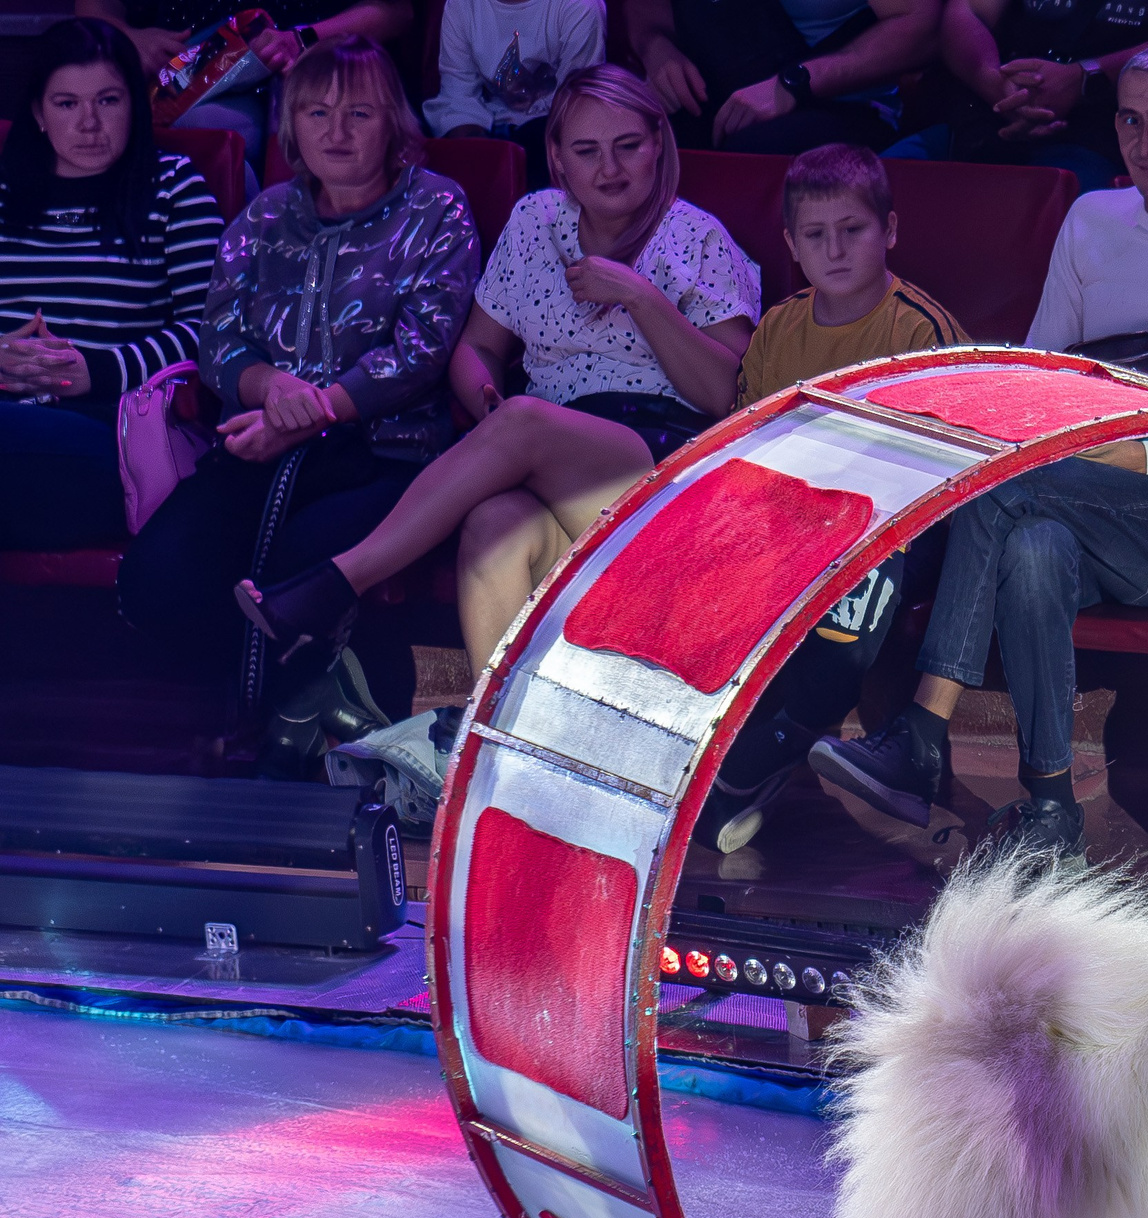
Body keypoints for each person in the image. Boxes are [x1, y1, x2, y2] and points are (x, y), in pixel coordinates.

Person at [815, 41, 1148, 861]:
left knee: (1007, 492)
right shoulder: (1092, 217)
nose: (1146, 141)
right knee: (1032, 542)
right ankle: (1052, 804)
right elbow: (1038, 379)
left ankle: (921, 734)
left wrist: (1145, 460)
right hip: (1070, 493)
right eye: (1130, 119)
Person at [238, 63, 760, 685]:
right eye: (586, 151)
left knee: (525, 419)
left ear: (658, 145)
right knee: (492, 531)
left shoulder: (697, 237)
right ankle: (507, 746)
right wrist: (484, 399)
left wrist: (640, 296)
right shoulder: (537, 219)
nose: (609, 170)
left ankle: (335, 584)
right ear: (558, 158)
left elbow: (725, 394)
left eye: (628, 147)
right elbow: (476, 348)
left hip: (658, 460)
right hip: (541, 452)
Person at [115, 36, 478, 776]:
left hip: (386, 452)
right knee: (157, 578)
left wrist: (314, 409)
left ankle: (282, 726)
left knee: (289, 577)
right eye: (316, 112)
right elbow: (217, 336)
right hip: (257, 441)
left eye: (359, 113)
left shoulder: (436, 206)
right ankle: (280, 701)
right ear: (292, 127)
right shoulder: (265, 214)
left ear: (393, 124)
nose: (336, 132)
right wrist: (267, 389)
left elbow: (422, 350)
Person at [702, 142, 971, 853]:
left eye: (852, 230)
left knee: (859, 582)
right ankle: (724, 751)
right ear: (791, 245)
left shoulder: (919, 329)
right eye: (815, 236)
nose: (836, 249)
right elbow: (749, 446)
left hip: (899, 528)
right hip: (795, 519)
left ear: (888, 230)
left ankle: (766, 754)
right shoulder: (779, 327)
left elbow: (944, 472)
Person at [0, 19, 224, 550]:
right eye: (65, 104)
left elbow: (213, 328)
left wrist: (94, 372)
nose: (89, 124)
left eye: (107, 100)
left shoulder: (174, 186)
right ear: (37, 112)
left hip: (117, 432)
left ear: (134, 104)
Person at [895, 0, 1148, 193]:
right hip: (987, 114)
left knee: (1078, 223)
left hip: (1112, 132)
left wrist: (1083, 78)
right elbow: (966, 11)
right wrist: (995, 85)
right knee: (876, 190)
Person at [75, 0, 414, 164]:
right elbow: (95, 11)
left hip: (317, 61)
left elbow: (392, 11)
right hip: (192, 77)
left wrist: (302, 40)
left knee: (322, 127)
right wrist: (129, 37)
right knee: (208, 134)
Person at [627, 0, 938, 152]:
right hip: (709, 93)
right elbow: (646, 10)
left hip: (841, 105)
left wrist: (795, 83)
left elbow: (923, 27)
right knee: (636, 145)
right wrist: (657, 48)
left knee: (753, 153)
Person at [422, 0, 607, 189]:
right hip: (491, 128)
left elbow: (578, 101)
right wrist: (478, 158)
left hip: (552, 127)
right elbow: (458, 96)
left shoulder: (580, 6)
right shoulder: (461, 5)